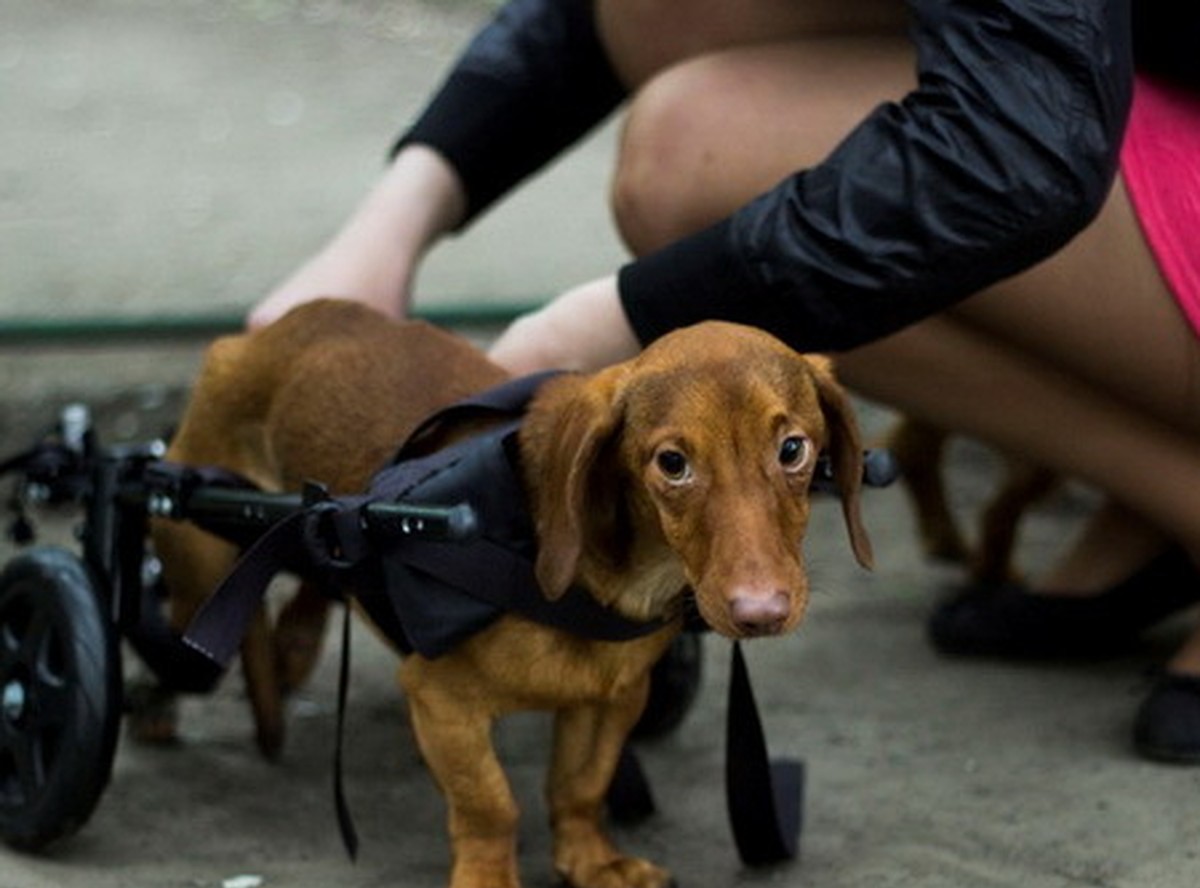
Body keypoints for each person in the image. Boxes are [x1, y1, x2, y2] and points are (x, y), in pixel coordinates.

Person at [249, 0, 1200, 761]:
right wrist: (398, 215)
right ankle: (1166, 489)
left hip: (1068, 115)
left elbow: (1018, 149)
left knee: (696, 154)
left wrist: (612, 321)